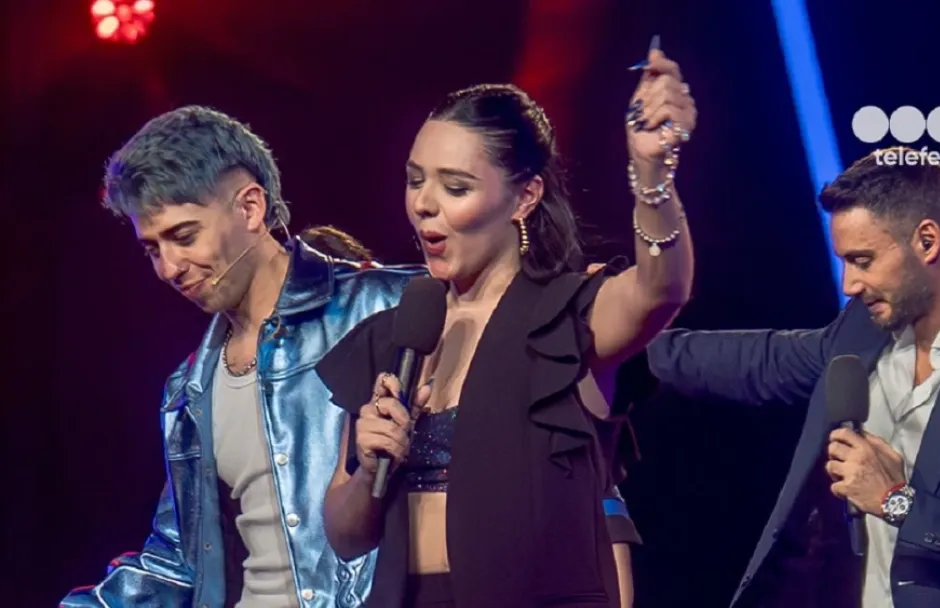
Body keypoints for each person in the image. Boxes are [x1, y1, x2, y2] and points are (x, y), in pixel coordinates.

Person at [59, 105, 641, 608]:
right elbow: (178, 560)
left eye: (184, 237)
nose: (168, 267)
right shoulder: (188, 389)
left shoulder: (396, 309)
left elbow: (571, 453)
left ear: (251, 208)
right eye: (151, 248)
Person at [315, 48, 697, 608]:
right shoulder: (391, 338)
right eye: (415, 180)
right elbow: (346, 537)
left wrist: (652, 173)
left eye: (455, 187)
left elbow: (662, 288)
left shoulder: (567, 316)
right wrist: (371, 466)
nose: (424, 204)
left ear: (525, 196)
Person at [646, 147, 940, 608]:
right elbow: (760, 360)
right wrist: (621, 337)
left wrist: (897, 501)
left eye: (863, 260)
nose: (848, 284)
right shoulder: (864, 326)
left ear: (927, 241)